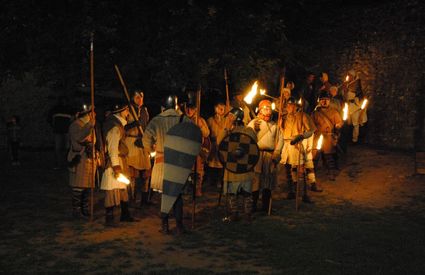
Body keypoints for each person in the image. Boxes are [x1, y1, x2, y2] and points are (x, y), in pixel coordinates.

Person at [142, 95, 191, 234]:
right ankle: (179, 226)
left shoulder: (156, 121)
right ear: (176, 106)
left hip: (162, 162)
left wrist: (152, 150)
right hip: (178, 163)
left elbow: (145, 140)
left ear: (163, 107)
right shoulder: (184, 119)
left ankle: (165, 226)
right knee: (177, 196)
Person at [100, 103, 137, 226]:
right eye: (127, 111)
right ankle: (109, 218)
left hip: (120, 160)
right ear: (121, 112)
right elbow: (112, 149)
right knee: (111, 189)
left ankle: (125, 214)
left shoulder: (118, 126)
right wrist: (116, 167)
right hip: (114, 162)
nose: (128, 113)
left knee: (122, 188)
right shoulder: (114, 128)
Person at [273, 97, 316, 202]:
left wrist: (302, 136)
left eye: (291, 105)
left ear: (296, 106)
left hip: (297, 145)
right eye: (288, 105)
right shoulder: (283, 117)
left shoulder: (303, 116)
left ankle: (303, 194)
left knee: (300, 170)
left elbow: (311, 131)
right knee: (287, 169)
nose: (289, 107)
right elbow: (279, 131)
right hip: (285, 145)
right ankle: (291, 191)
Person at [223, 107, 257, 222]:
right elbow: (220, 144)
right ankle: (234, 213)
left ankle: (247, 214)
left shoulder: (248, 130)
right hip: (232, 165)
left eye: (231, 116)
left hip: (244, 165)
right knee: (232, 192)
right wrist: (226, 130)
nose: (228, 118)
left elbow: (251, 146)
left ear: (236, 118)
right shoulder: (228, 130)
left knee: (247, 192)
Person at [247, 100, 277, 213]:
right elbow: (247, 136)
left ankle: (266, 206)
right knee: (255, 180)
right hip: (257, 155)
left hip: (269, 156)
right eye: (265, 108)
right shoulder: (253, 123)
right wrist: (254, 128)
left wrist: (277, 154)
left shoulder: (275, 125)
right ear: (260, 110)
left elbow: (279, 141)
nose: (267, 110)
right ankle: (253, 205)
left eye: (269, 108)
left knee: (268, 180)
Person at [67, 104, 97, 219]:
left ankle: (85, 209)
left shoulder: (89, 125)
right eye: (93, 112)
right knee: (78, 185)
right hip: (80, 158)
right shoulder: (76, 125)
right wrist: (89, 126)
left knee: (87, 186)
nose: (95, 114)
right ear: (89, 113)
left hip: (89, 158)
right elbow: (79, 137)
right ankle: (77, 211)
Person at [124, 90, 151, 207]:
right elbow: (123, 127)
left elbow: (147, 126)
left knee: (146, 172)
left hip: (142, 142)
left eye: (141, 97)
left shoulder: (145, 111)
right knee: (132, 174)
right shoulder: (127, 110)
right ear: (132, 98)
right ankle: (132, 198)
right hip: (131, 142)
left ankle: (145, 200)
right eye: (137, 98)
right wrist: (134, 123)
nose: (139, 100)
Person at [312, 91, 343, 181]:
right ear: (319, 101)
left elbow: (339, 122)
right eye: (322, 100)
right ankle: (311, 174)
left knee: (329, 156)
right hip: (317, 136)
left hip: (328, 136)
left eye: (326, 100)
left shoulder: (334, 112)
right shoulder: (315, 113)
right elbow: (310, 123)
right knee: (315, 156)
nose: (324, 102)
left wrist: (338, 125)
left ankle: (331, 173)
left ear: (329, 101)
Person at [183, 92, 210, 197]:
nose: (189, 111)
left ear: (195, 109)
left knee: (198, 171)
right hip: (185, 149)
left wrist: (200, 126)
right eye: (188, 108)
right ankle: (187, 188)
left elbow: (206, 133)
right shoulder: (182, 119)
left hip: (198, 149)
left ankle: (198, 189)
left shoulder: (200, 120)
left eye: (192, 108)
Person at [206, 100, 232, 190]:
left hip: (223, 145)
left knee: (222, 164)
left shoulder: (227, 120)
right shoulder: (210, 120)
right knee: (211, 164)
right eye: (219, 107)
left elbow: (230, 130)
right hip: (213, 145)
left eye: (223, 108)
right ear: (215, 109)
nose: (221, 109)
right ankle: (210, 182)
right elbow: (207, 133)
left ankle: (219, 182)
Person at [342, 70, 368, 143]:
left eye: (350, 75)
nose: (349, 76)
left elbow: (358, 95)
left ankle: (355, 140)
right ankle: (348, 138)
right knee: (348, 122)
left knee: (356, 123)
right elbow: (345, 96)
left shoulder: (356, 84)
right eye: (348, 75)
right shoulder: (347, 84)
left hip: (355, 107)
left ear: (353, 76)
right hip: (348, 106)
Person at [47, 96, 73, 169]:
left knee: (66, 148)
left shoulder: (69, 109)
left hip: (66, 131)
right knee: (58, 149)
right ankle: (59, 164)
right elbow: (49, 119)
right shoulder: (55, 109)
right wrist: (54, 126)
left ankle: (65, 164)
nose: (63, 102)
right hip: (58, 131)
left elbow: (73, 120)